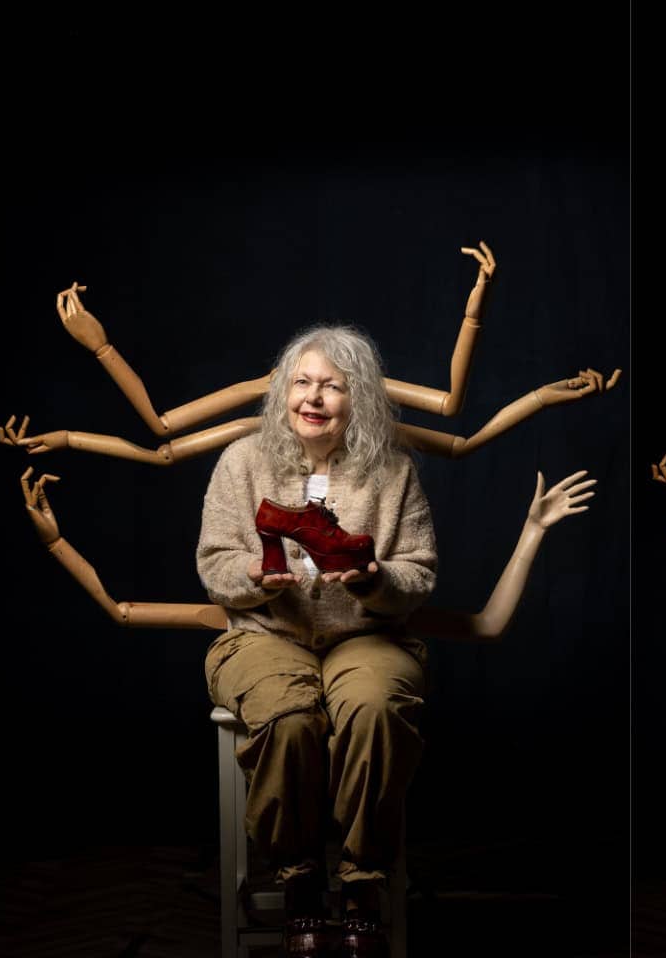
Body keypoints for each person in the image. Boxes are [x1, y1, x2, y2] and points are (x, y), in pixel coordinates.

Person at [197, 326, 435, 957]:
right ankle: (300, 879)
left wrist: (376, 577)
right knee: (288, 716)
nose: (314, 397)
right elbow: (215, 559)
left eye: (333, 385)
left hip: (366, 634)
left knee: (375, 708)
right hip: (265, 633)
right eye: (302, 382)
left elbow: (419, 571)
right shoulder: (243, 463)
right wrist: (252, 576)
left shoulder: (394, 471)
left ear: (358, 399)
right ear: (283, 393)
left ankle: (362, 882)